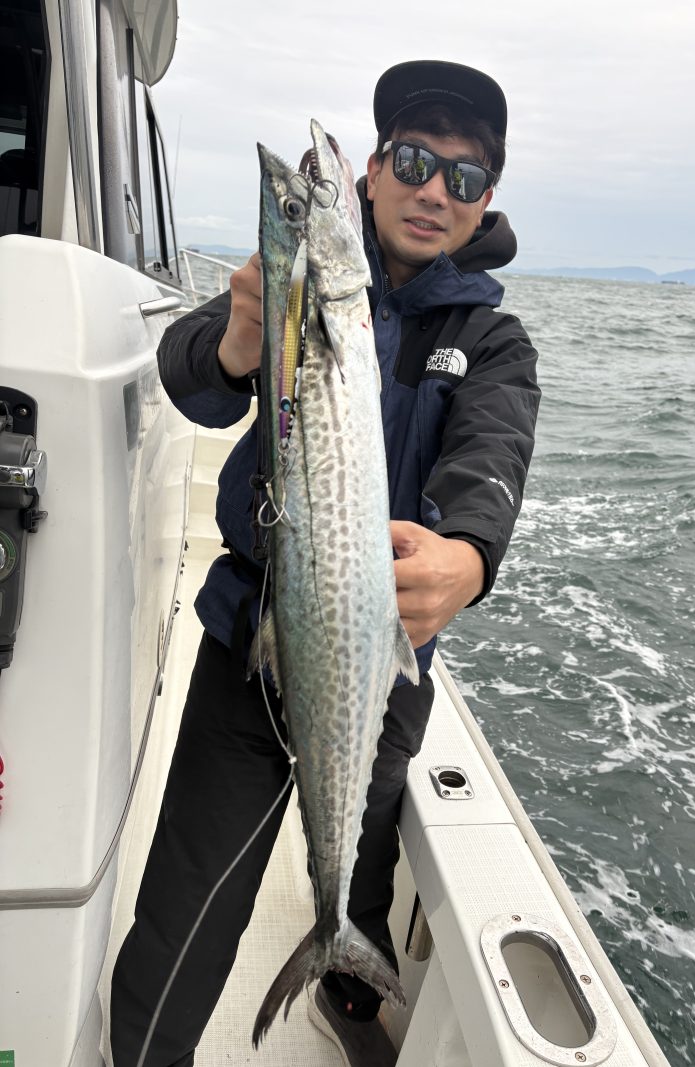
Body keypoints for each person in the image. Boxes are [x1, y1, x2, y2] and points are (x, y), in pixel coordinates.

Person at [110, 59, 540, 1067]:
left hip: (384, 670)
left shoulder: (490, 340)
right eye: (413, 160)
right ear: (373, 173)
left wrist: (467, 557)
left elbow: (491, 459)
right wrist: (240, 337)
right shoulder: (294, 289)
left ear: (484, 205)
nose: (433, 191)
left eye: (463, 178)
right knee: (187, 906)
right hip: (251, 642)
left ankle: (349, 976)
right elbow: (190, 376)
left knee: (362, 852)